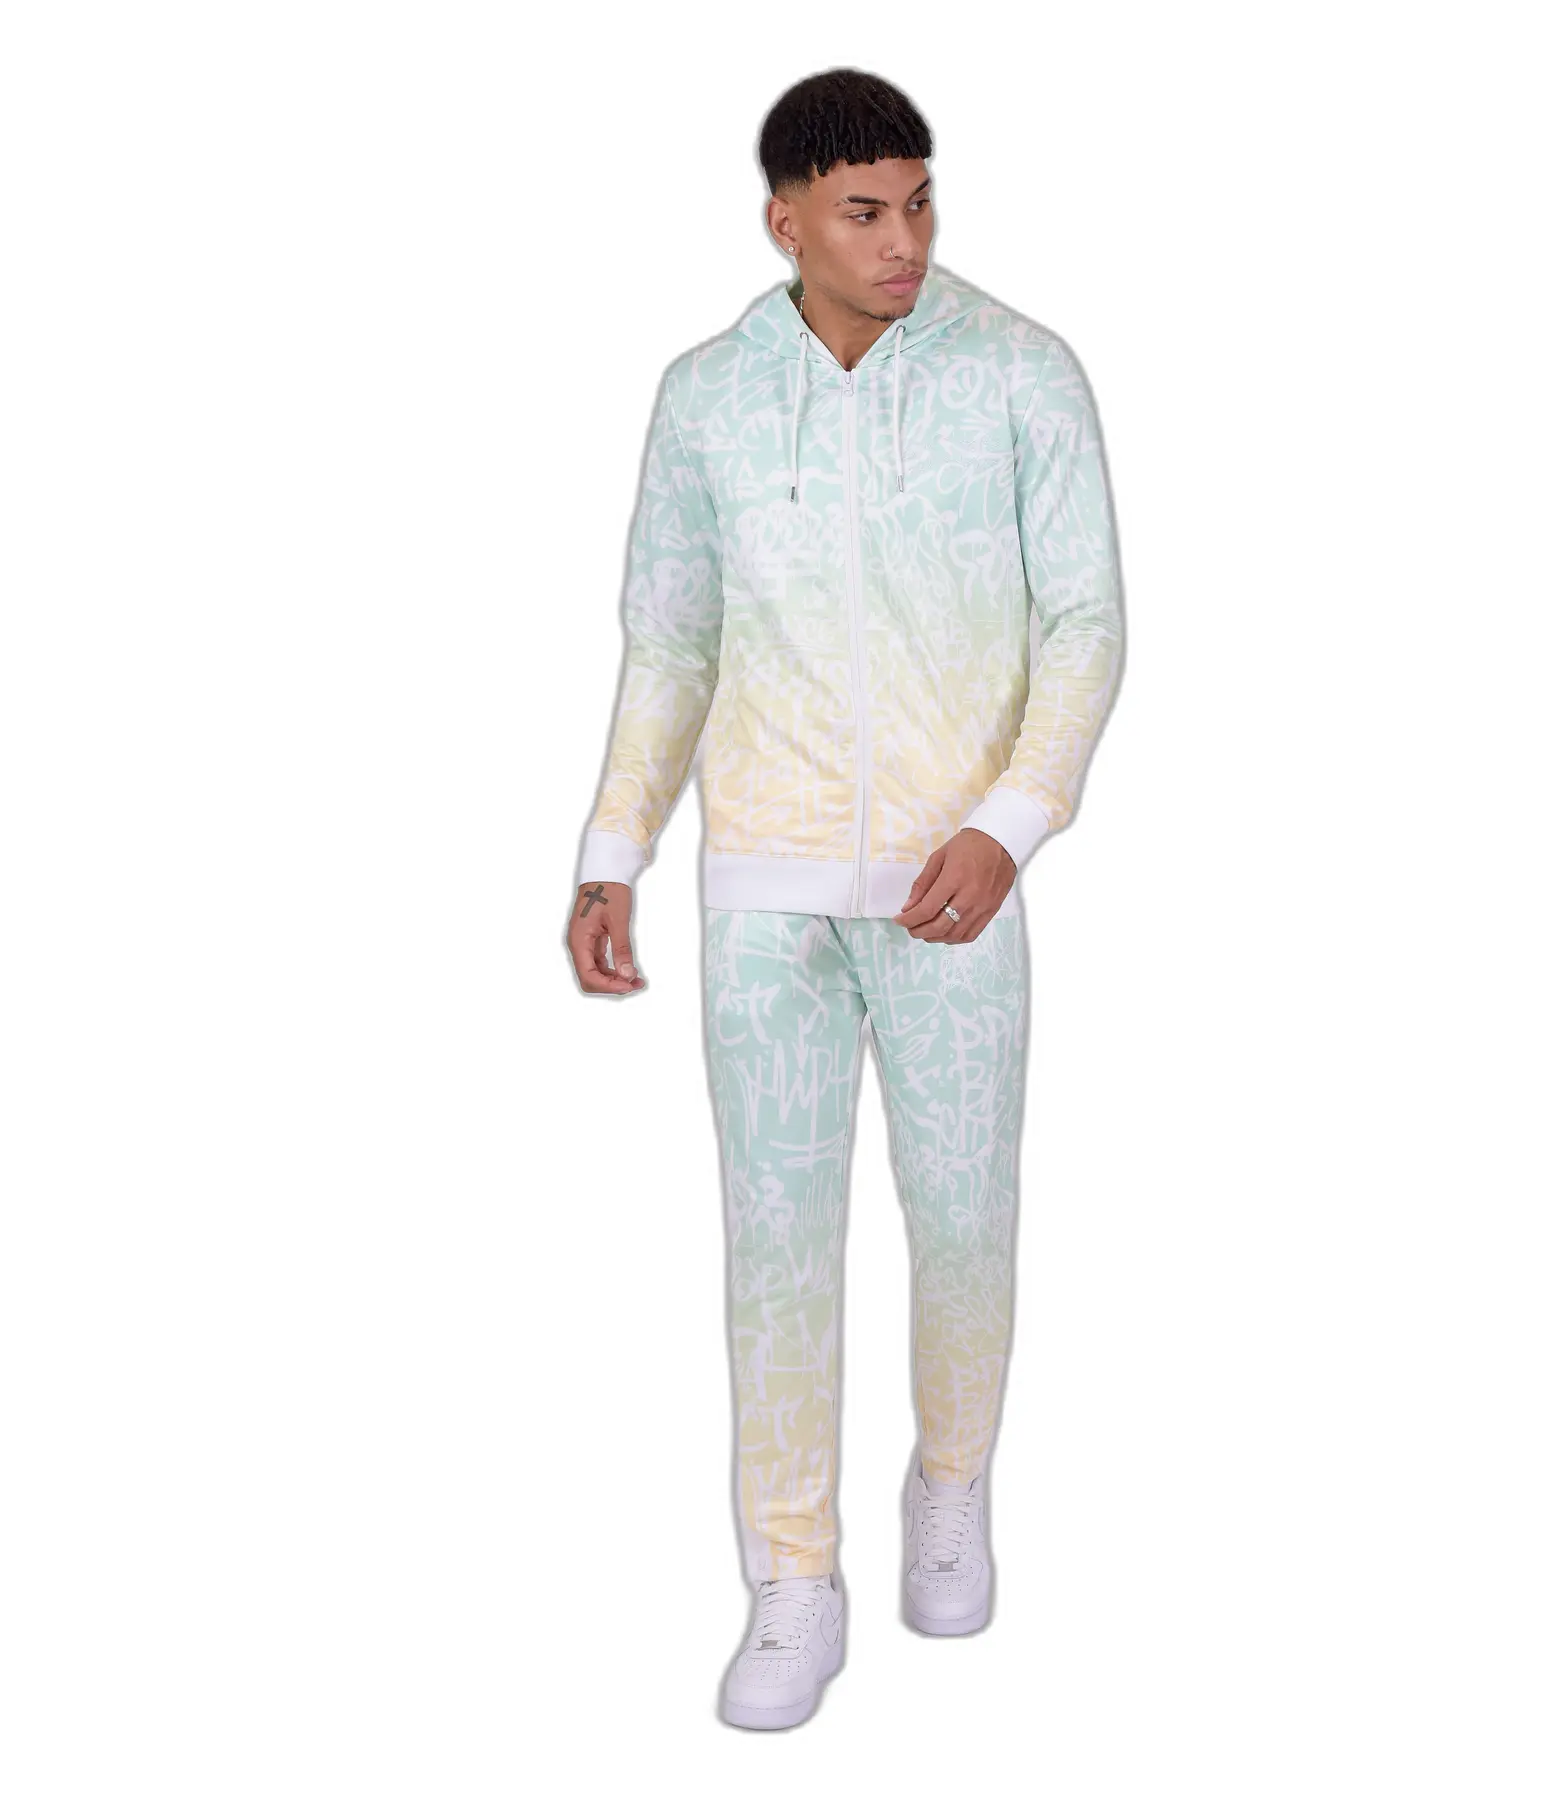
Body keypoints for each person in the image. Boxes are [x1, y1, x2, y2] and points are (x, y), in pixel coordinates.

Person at [566, 66, 1124, 1729]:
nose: (904, 240)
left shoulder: (1021, 373)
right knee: (777, 1243)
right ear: (785, 221)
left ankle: (951, 1482)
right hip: (767, 894)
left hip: (957, 890)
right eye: (865, 211)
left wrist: (1012, 823)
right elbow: (670, 640)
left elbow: (1087, 625)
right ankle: (791, 1580)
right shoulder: (708, 400)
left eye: (920, 201)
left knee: (964, 1218)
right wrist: (614, 846)